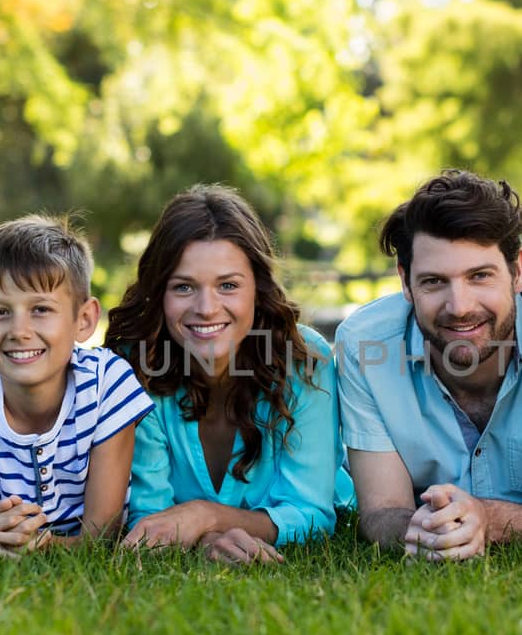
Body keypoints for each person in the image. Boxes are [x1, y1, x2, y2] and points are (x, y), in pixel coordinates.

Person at [335, 170, 522, 562]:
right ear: (405, 282)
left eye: (480, 276)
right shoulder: (363, 346)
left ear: (517, 271)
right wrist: (424, 533)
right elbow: (380, 511)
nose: (460, 306)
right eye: (433, 282)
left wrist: (490, 520)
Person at [106, 186, 349, 565]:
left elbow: (312, 514)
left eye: (228, 286)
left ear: (258, 289)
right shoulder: (137, 369)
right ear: (159, 293)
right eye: (183, 287)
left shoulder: (303, 360)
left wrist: (204, 516)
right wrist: (208, 540)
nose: (206, 308)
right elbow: (150, 522)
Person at [0, 216, 152, 557]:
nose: (19, 331)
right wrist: (2, 540)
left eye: (41, 309)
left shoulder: (106, 385)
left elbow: (101, 536)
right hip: (2, 531)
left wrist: (42, 546)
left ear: (83, 320)